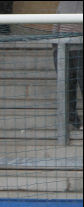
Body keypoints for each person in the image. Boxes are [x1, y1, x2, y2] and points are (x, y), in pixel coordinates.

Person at [54, 1, 83, 131]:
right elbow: (56, 23)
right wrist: (54, 46)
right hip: (62, 49)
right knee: (66, 86)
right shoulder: (63, 3)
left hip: (80, 48)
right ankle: (73, 121)